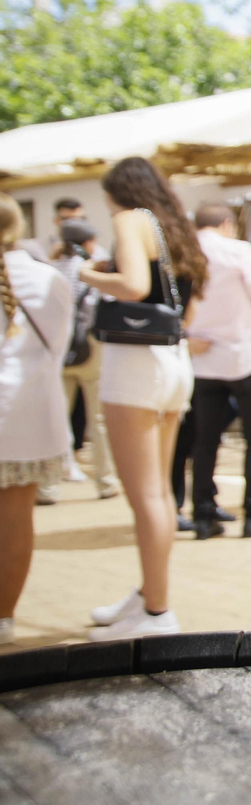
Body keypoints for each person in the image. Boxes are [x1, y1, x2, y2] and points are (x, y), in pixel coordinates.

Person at [78, 156, 209, 641]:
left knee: (148, 495)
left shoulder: (130, 221)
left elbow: (133, 285)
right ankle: (148, 595)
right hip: (174, 361)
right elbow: (191, 298)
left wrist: (88, 274)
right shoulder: (175, 227)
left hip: (136, 367)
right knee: (160, 492)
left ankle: (156, 611)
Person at [0, 192, 74, 647]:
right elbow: (59, 350)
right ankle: (4, 617)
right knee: (15, 519)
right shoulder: (48, 278)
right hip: (28, 417)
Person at [184, 204, 251, 539]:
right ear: (226, 224)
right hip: (245, 356)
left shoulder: (182, 250)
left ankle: (202, 515)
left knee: (205, 441)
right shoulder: (238, 250)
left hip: (203, 358)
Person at [45, 217, 119, 501]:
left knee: (56, 417)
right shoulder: (90, 269)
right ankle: (106, 480)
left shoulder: (51, 269)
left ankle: (48, 484)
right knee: (98, 420)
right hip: (90, 349)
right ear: (86, 242)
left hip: (57, 350)